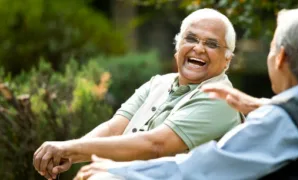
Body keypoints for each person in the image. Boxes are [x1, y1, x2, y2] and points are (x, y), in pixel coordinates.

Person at [73, 6, 298, 180]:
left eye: (270, 48)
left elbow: (199, 169)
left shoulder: (281, 121)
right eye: (191, 39)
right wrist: (266, 106)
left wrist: (117, 172)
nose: (198, 49)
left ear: (281, 58)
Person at [33, 8, 243, 180]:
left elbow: (156, 145)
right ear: (178, 47)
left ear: (227, 60)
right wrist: (68, 154)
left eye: (211, 43)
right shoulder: (158, 83)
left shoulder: (221, 97)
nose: (199, 48)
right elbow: (113, 128)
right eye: (191, 39)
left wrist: (70, 149)